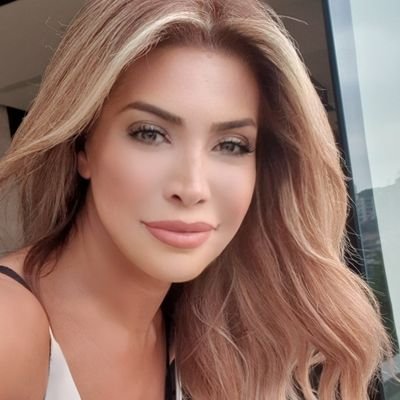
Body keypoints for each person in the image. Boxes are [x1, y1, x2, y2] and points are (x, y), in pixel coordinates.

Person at [0, 0, 392, 399]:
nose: (192, 188)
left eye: (231, 144)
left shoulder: (208, 333)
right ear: (83, 145)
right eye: (149, 133)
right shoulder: (9, 327)